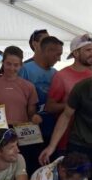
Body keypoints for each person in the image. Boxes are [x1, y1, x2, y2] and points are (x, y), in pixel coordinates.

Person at [0, 46, 43, 175]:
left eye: (16, 65)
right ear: (3, 63)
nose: (12, 68)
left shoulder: (29, 87)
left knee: (21, 169)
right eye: (8, 64)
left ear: (21, 65)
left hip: (22, 133)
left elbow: (31, 114)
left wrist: (35, 118)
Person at [46, 34, 92, 154]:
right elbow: (50, 107)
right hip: (67, 142)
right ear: (76, 53)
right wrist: (73, 104)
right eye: (88, 50)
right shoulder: (62, 76)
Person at [19, 36, 63, 168]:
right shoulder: (25, 69)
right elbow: (18, 99)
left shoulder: (56, 73)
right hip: (28, 132)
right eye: (57, 54)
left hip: (50, 131)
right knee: (29, 168)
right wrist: (30, 116)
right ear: (48, 51)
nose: (59, 59)